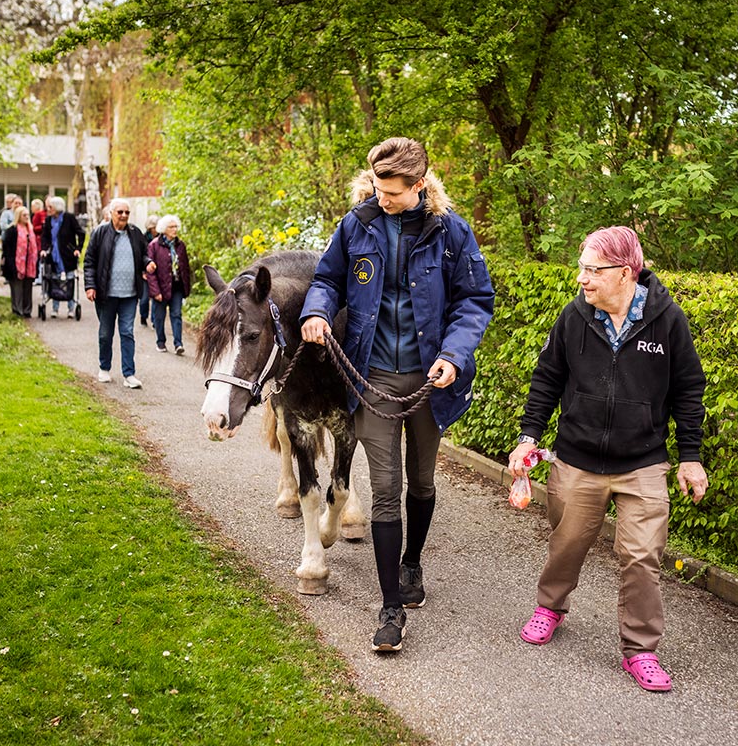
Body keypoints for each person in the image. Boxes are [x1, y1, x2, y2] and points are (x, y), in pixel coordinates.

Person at [300, 137, 495, 653]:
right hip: (374, 378)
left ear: (419, 185)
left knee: (422, 481)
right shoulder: (357, 224)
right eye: (377, 189)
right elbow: (328, 279)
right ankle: (389, 607)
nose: (381, 198)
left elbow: (475, 299)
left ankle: (412, 563)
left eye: (391, 192)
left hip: (431, 381)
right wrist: (316, 312)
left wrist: (453, 355)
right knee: (384, 490)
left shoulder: (452, 232)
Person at [506, 225, 708, 693]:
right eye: (581, 268)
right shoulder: (575, 318)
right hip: (577, 459)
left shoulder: (667, 320)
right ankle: (551, 606)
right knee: (568, 542)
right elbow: (547, 379)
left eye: (592, 270)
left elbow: (688, 390)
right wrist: (527, 436)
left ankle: (640, 650)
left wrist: (690, 457)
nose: (582, 279)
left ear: (624, 272)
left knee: (642, 556)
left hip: (643, 463)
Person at [83, 198, 153, 389]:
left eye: (126, 212)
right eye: (120, 212)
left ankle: (129, 374)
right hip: (106, 294)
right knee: (106, 333)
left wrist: (148, 263)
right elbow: (89, 261)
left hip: (129, 294)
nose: (123, 215)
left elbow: (143, 253)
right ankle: (104, 368)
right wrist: (90, 286)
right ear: (111, 213)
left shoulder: (135, 233)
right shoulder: (100, 233)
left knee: (127, 332)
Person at [145, 214, 191, 355]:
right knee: (159, 316)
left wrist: (186, 288)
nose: (175, 229)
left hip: (176, 286)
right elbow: (150, 272)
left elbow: (185, 267)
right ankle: (161, 342)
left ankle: (178, 344)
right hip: (160, 286)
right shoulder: (154, 245)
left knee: (176, 314)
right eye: (171, 227)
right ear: (164, 229)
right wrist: (155, 291)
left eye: (176, 226)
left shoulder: (180, 245)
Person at [40, 196, 85, 319]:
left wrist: (77, 249)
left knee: (69, 281)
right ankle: (55, 308)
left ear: (57, 207)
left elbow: (81, 233)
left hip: (67, 255)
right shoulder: (48, 220)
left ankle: (71, 308)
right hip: (53, 255)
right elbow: (45, 237)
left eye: (50, 207)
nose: (48, 209)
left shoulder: (69, 218)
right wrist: (44, 249)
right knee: (54, 281)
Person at [0, 204, 39, 317]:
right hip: (15, 264)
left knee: (27, 288)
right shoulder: (12, 230)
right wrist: (12, 265)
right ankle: (17, 310)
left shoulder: (30, 230)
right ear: (18, 216)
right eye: (24, 215)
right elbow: (7, 250)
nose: (27, 217)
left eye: (27, 215)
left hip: (29, 264)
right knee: (17, 288)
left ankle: (27, 310)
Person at [138, 214, 159, 327]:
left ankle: (154, 320)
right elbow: (140, 256)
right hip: (146, 274)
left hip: (157, 274)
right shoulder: (143, 238)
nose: (156, 230)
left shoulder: (161, 239)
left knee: (156, 298)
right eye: (154, 227)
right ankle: (143, 316)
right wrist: (142, 272)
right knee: (145, 299)